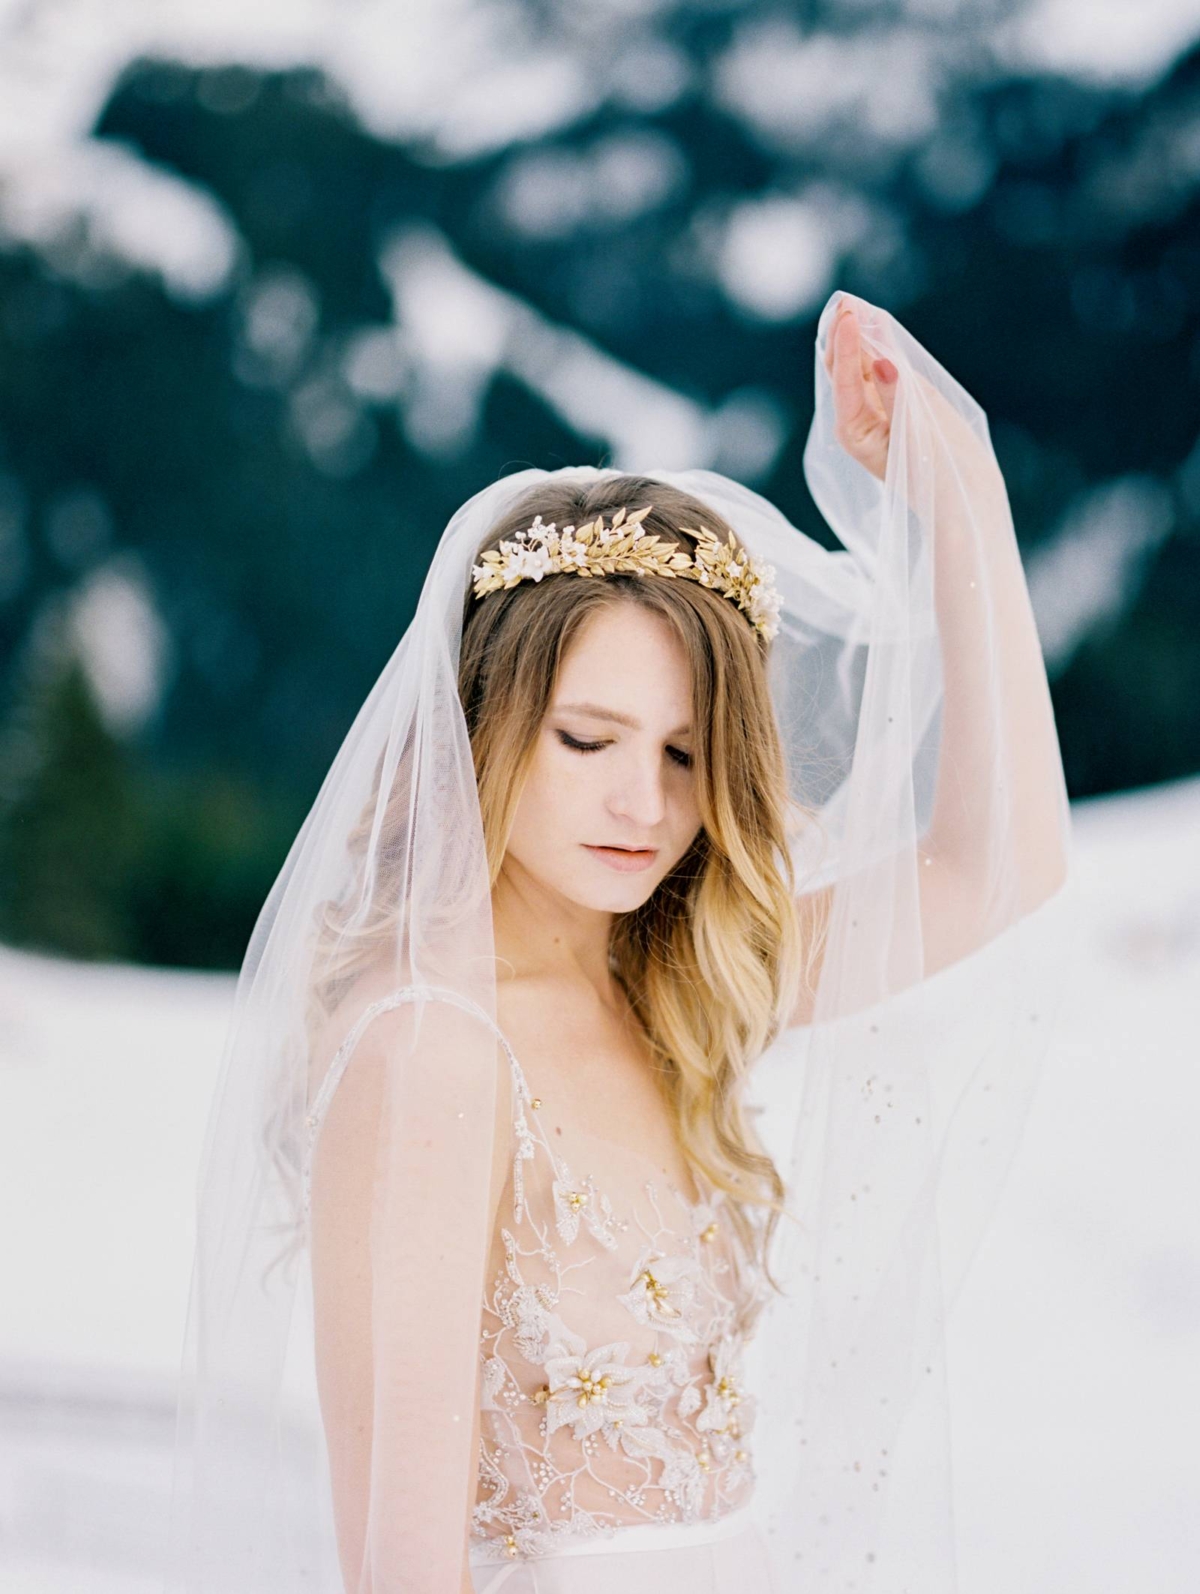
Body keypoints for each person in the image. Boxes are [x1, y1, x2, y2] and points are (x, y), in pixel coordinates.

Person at [163, 291, 1078, 1594]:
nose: (645, 805)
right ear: (484, 721)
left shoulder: (677, 982)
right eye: (589, 738)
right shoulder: (433, 1050)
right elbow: (401, 1570)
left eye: (687, 752)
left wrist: (960, 493)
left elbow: (1001, 863)